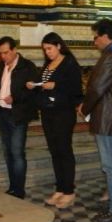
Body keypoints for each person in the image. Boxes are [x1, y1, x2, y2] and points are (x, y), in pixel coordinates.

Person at [79, 19, 112, 222]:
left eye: (95, 37)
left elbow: (97, 88)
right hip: (111, 117)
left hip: (108, 118)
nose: (94, 42)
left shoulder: (111, 56)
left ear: (104, 36)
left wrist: (84, 107)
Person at [27, 32, 83, 209]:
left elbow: (75, 89)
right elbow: (42, 83)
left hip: (64, 112)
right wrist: (33, 84)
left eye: (50, 48)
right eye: (45, 50)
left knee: (64, 150)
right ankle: (60, 188)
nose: (48, 52)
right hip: (48, 111)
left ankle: (69, 191)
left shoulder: (69, 63)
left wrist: (56, 86)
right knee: (54, 150)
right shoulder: (48, 64)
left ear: (59, 46)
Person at [0, 36, 38, 199]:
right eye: (1, 53)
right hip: (2, 113)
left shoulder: (27, 67)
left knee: (17, 152)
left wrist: (15, 98)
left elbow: (33, 92)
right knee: (8, 152)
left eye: (6, 53)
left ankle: (19, 190)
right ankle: (12, 187)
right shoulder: (1, 66)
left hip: (18, 115)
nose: (3, 56)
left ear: (15, 50)